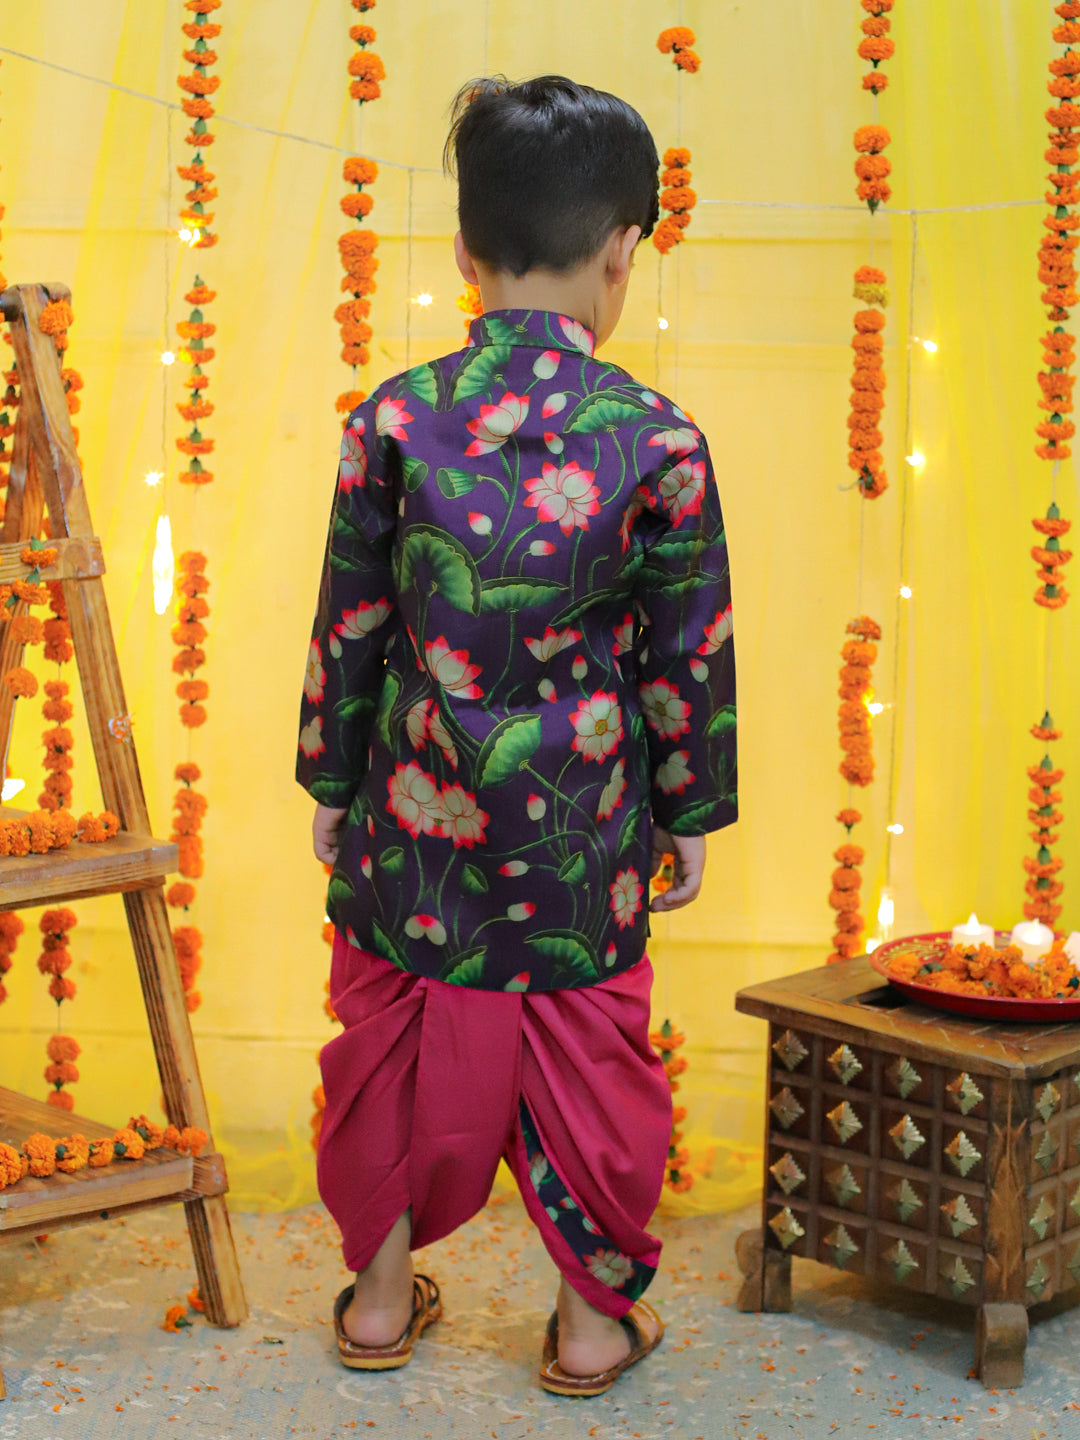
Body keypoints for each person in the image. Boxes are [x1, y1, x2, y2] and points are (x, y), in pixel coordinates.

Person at [297, 73, 736, 1396]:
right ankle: (592, 1328)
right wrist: (688, 810)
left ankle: (380, 1307)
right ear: (622, 254)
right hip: (583, 828)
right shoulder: (659, 441)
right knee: (590, 1050)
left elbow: (349, 622)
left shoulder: (389, 419)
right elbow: (689, 653)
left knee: (388, 1035)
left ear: (462, 253)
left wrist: (332, 780)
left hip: (414, 810)